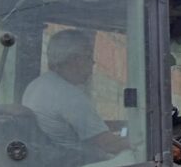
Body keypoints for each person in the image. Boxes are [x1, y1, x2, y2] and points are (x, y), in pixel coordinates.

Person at [22, 29, 127, 157]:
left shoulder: (37, 85)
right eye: (89, 57)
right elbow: (109, 145)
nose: (93, 64)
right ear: (76, 60)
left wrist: (121, 124)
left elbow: (84, 126)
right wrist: (140, 143)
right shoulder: (69, 96)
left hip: (56, 163)